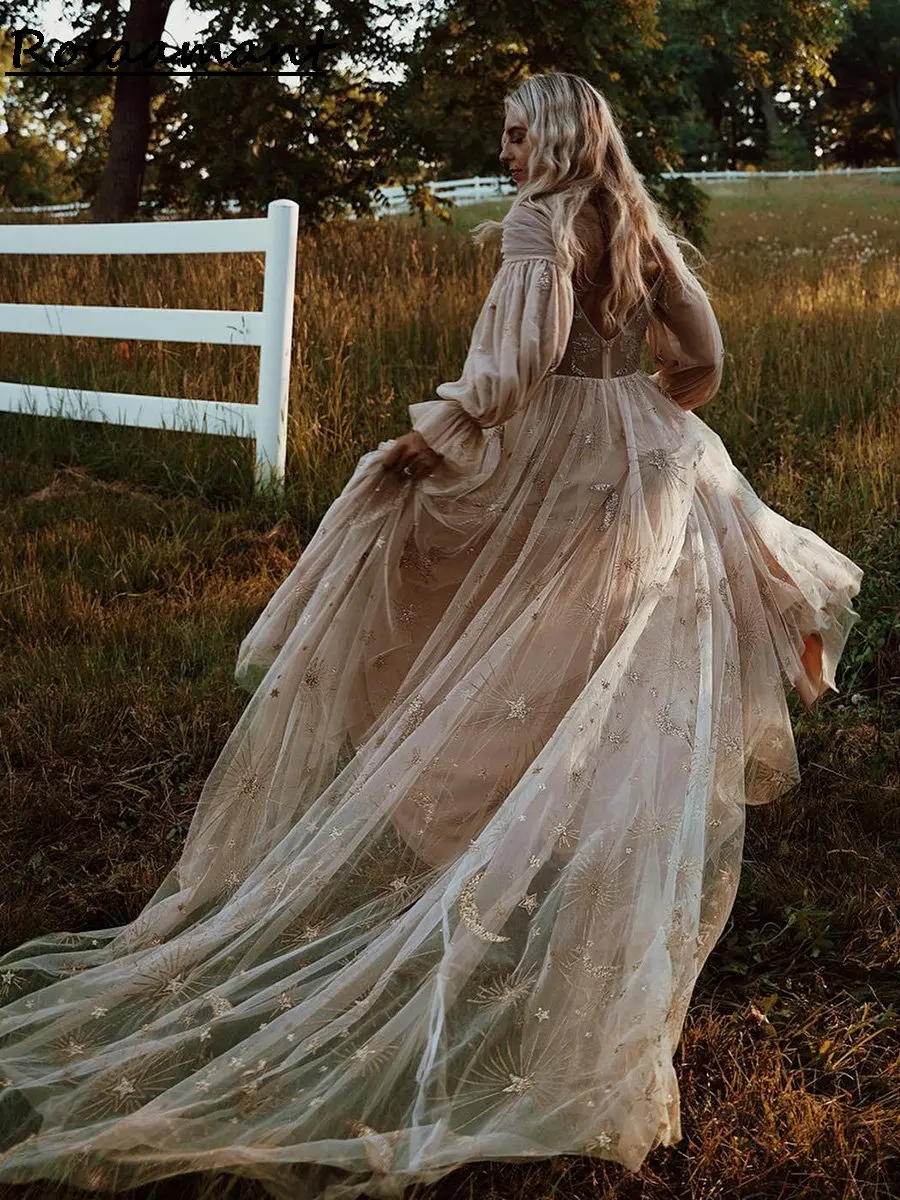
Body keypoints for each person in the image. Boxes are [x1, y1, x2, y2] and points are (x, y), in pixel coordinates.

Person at [0, 72, 863, 1199]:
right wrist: (658, 394)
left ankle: (464, 836)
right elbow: (699, 349)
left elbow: (509, 370)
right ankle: (546, 862)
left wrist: (437, 437)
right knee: (591, 667)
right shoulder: (634, 218)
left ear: (554, 137)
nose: (504, 155)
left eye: (514, 136)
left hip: (559, 450)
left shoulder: (543, 221)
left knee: (475, 627)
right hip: (648, 456)